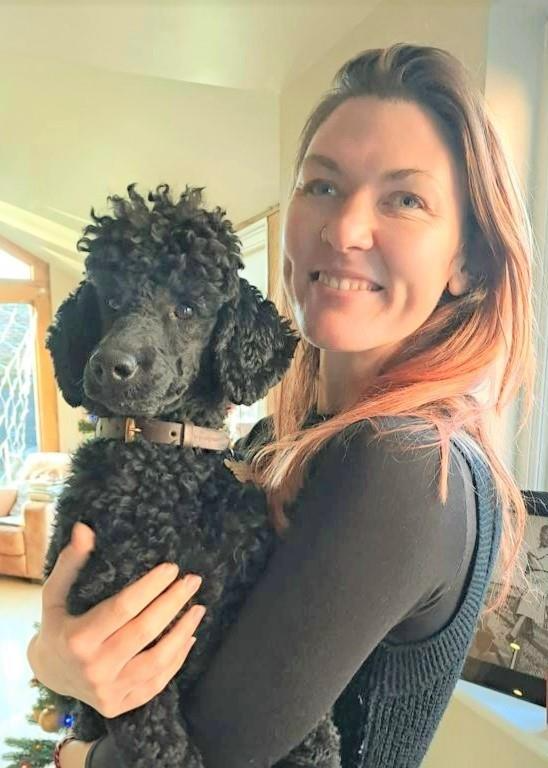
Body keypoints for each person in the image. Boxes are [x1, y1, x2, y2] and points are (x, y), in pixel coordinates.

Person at [27, 43, 535, 768]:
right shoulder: (277, 442)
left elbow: (218, 754)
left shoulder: (404, 464)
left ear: (467, 262)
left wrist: (74, 756)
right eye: (322, 186)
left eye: (405, 198)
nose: (345, 228)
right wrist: (56, 657)